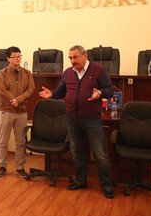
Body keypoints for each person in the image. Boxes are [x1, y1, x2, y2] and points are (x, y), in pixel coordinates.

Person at [39, 45, 115, 199]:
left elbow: (110, 90)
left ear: (85, 56)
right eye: (70, 58)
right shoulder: (68, 72)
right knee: (77, 152)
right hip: (72, 119)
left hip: (92, 119)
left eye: (75, 57)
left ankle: (106, 185)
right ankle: (81, 181)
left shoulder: (98, 70)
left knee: (100, 154)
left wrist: (100, 93)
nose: (72, 61)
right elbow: (62, 91)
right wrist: (52, 94)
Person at [0, 47, 35, 179]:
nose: (18, 59)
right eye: (15, 57)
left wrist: (18, 100)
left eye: (19, 56)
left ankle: (20, 167)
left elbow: (31, 89)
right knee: (3, 141)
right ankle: (2, 166)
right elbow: (2, 90)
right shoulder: (2, 73)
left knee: (20, 141)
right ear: (8, 59)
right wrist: (13, 100)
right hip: (6, 111)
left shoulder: (27, 73)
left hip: (21, 112)